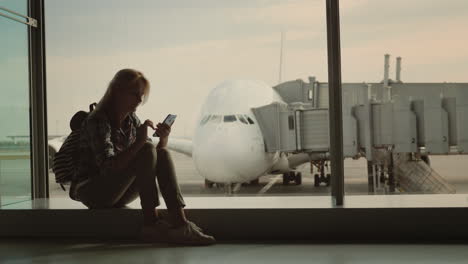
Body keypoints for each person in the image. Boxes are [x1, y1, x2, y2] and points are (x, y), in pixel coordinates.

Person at [71, 69, 215, 245]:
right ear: (117, 92)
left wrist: (163, 138)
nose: (140, 100)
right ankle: (151, 223)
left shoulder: (131, 120)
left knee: (161, 152)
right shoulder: (98, 120)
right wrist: (139, 143)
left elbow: (152, 159)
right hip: (93, 191)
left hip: (117, 190)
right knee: (146, 147)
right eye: (134, 94)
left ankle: (179, 223)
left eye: (141, 95)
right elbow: (108, 167)